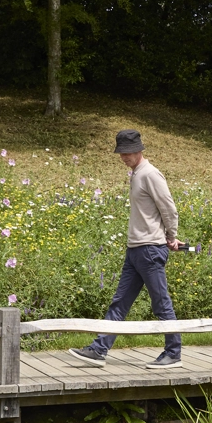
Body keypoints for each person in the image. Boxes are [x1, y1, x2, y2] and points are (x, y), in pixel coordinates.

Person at [69, 129, 183, 369]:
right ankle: (99, 349)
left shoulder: (150, 174)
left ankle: (173, 353)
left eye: (128, 152)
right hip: (135, 249)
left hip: (150, 249)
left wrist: (171, 236)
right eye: (121, 152)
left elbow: (169, 208)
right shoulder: (136, 174)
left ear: (140, 149)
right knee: (119, 302)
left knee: (161, 303)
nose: (123, 156)